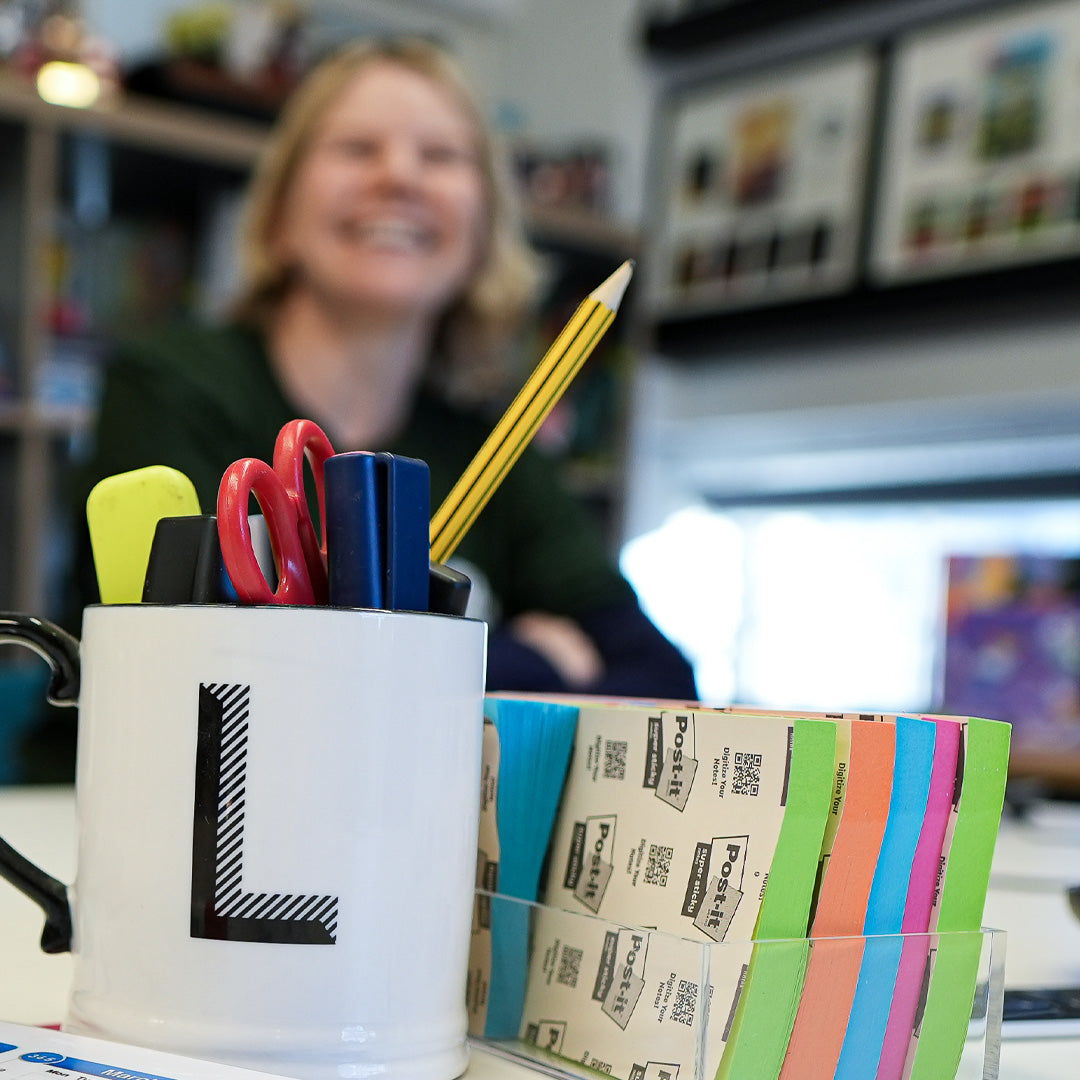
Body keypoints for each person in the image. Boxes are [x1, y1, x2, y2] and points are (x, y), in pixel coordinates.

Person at [21, 38, 695, 781]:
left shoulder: (497, 452)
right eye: (356, 148)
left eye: (440, 155)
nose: (398, 175)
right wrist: (537, 661)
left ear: (483, 229)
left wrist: (388, 667)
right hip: (143, 825)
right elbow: (229, 688)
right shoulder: (172, 385)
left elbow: (662, 691)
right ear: (280, 211)